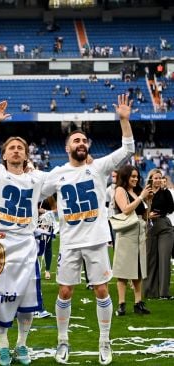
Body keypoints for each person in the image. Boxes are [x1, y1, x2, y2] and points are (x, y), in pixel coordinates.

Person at [41, 94, 135, 365]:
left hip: (95, 240)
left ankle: (105, 341)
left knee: (102, 291)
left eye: (84, 140)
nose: (81, 143)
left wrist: (124, 120)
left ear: (88, 146)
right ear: (67, 147)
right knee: (65, 292)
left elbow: (127, 148)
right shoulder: (57, 173)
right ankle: (62, 340)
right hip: (70, 241)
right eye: (76, 140)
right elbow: (35, 192)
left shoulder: (99, 168)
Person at [0, 100, 51, 365]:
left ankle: (22, 345)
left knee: (27, 299)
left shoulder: (38, 178)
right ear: (4, 155)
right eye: (12, 148)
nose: (16, 151)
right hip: (2, 242)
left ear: (26, 155)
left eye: (21, 148)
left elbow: (63, 179)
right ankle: (3, 344)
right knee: (3, 296)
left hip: (27, 242)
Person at [112, 165, 151, 316]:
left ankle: (138, 303)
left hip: (139, 232)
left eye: (137, 177)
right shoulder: (120, 190)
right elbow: (126, 209)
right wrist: (141, 197)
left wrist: (148, 200)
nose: (135, 179)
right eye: (132, 176)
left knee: (138, 270)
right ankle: (121, 304)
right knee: (123, 271)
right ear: (125, 176)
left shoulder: (136, 191)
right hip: (127, 233)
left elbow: (145, 215)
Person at [143, 168, 174, 299]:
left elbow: (171, 209)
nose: (158, 180)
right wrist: (148, 214)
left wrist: (158, 212)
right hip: (149, 227)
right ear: (151, 179)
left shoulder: (166, 192)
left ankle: (164, 293)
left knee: (164, 259)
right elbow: (140, 210)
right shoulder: (145, 192)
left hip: (164, 226)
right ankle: (150, 291)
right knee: (150, 260)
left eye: (160, 177)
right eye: (155, 178)